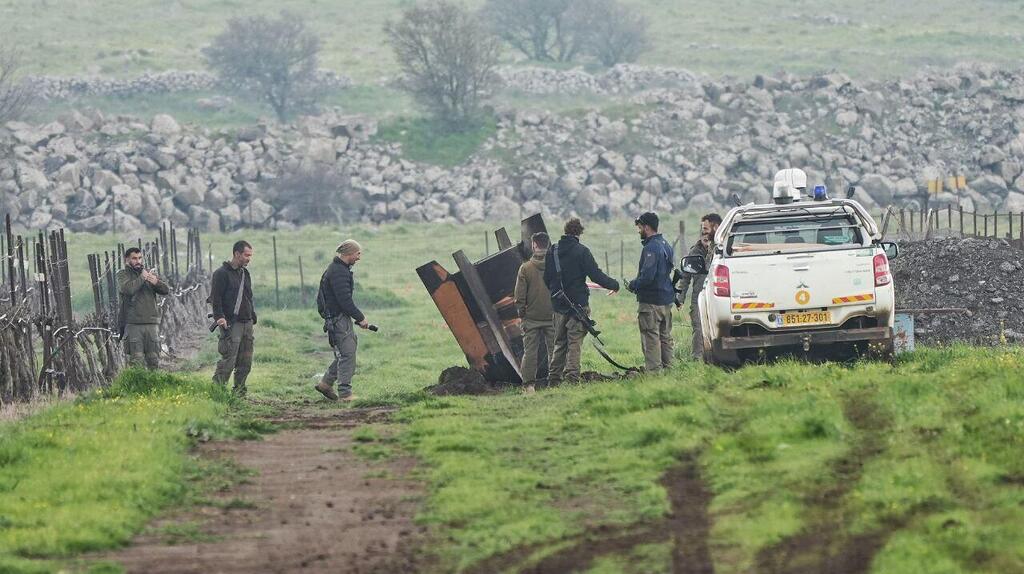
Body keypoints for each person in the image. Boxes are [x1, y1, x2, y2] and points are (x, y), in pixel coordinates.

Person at [544, 218, 619, 384]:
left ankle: (554, 379)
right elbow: (596, 275)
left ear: (565, 231)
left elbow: (546, 279)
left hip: (558, 307)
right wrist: (614, 285)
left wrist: (557, 295)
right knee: (574, 343)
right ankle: (572, 378)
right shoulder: (582, 251)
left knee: (560, 344)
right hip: (578, 307)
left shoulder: (552, 251)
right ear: (579, 233)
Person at [314, 240, 370, 402]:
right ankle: (345, 394)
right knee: (347, 354)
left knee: (344, 353)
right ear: (348, 253)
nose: (359, 257)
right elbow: (344, 300)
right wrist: (360, 317)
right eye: (357, 253)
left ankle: (325, 384)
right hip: (338, 318)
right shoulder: (339, 272)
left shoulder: (338, 269)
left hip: (337, 317)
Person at [626, 212, 675, 372]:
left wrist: (633, 285)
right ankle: (669, 371)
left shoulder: (651, 248)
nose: (638, 231)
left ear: (646, 227)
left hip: (651, 303)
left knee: (651, 338)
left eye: (640, 227)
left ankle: (654, 374)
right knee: (665, 338)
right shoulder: (665, 244)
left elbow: (647, 276)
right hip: (665, 301)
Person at [210, 240, 256, 396]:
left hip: (246, 323)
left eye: (250, 255)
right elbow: (216, 299)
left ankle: (239, 392)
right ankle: (217, 392)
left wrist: (252, 316)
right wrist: (220, 318)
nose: (249, 258)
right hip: (231, 324)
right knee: (228, 361)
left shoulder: (245, 273)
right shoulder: (221, 274)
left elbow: (248, 296)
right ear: (237, 254)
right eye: (246, 255)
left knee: (245, 362)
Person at [676, 213, 722, 359]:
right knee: (698, 328)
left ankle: (718, 357)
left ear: (716, 228)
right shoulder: (695, 251)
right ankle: (697, 358)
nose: (703, 232)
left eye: (706, 229)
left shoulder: (722, 249)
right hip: (698, 297)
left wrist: (711, 250)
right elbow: (685, 277)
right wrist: (680, 298)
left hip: (719, 297)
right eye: (702, 229)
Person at [117, 247, 170, 370]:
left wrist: (156, 282)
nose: (138, 261)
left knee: (153, 359)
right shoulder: (123, 274)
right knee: (137, 361)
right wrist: (142, 277)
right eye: (134, 258)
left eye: (140, 258)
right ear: (127, 260)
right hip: (133, 324)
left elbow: (166, 290)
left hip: (152, 323)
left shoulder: (148, 273)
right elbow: (128, 289)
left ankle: (154, 387)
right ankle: (137, 387)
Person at [514, 232, 554, 390]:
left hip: (531, 318)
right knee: (554, 350)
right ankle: (554, 383)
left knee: (530, 351)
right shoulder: (556, 266)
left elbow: (519, 296)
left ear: (534, 245)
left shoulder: (525, 268)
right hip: (552, 316)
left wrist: (521, 313)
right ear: (548, 245)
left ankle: (529, 386)